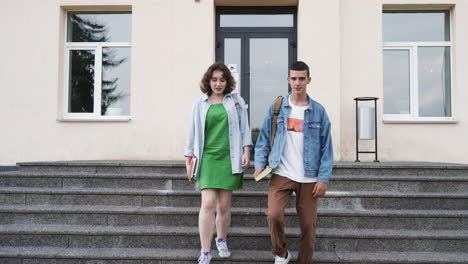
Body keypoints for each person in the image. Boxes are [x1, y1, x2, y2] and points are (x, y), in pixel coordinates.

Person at [254, 61, 333, 264]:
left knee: (308, 225)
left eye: (302, 79)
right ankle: (281, 253)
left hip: (309, 176)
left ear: (308, 80)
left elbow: (327, 148)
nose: (297, 83)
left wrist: (323, 178)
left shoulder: (319, 111)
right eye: (294, 79)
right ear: (288, 80)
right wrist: (259, 164)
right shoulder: (278, 108)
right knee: (273, 214)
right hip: (282, 172)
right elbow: (263, 138)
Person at [185, 62, 252, 264]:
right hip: (207, 158)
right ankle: (205, 251)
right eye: (214, 80)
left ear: (227, 82)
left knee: (224, 205)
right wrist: (189, 156)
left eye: (222, 80)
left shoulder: (236, 101)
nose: (218, 83)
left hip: (229, 157)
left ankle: (221, 239)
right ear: (208, 81)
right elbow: (192, 131)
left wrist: (246, 150)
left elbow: (244, 128)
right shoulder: (200, 103)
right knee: (207, 203)